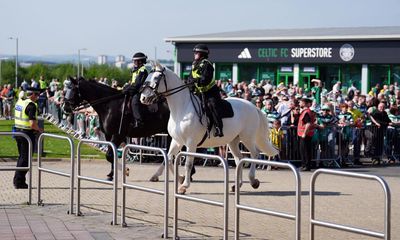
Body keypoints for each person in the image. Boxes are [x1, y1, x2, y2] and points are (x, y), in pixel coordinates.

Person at [188, 43, 224, 137]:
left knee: (212, 105)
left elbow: (205, 80)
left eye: (196, 53)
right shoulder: (194, 64)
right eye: (195, 53)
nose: (194, 54)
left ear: (202, 54)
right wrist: (189, 84)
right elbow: (190, 77)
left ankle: (218, 128)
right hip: (199, 92)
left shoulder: (207, 65)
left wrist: (196, 80)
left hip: (210, 92)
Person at [13, 87, 43, 189]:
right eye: (37, 95)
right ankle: (19, 182)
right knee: (25, 159)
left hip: (18, 132)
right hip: (26, 134)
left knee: (21, 157)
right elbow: (32, 123)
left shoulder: (21, 102)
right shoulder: (31, 105)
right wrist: (39, 130)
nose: (38, 97)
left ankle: (18, 180)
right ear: (33, 94)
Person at [123, 52, 148, 127]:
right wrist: (126, 87)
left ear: (140, 61)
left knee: (134, 101)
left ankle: (139, 120)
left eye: (135, 61)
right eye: (134, 61)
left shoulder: (143, 70)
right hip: (133, 89)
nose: (134, 63)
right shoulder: (135, 70)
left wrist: (128, 90)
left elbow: (138, 84)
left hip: (139, 91)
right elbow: (132, 82)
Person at [297, 97, 316, 171]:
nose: (299, 103)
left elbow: (308, 123)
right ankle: (305, 165)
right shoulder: (305, 112)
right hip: (304, 133)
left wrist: (304, 133)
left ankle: (306, 165)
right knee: (304, 150)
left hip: (305, 134)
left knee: (305, 150)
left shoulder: (306, 112)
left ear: (304, 103)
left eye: (301, 102)